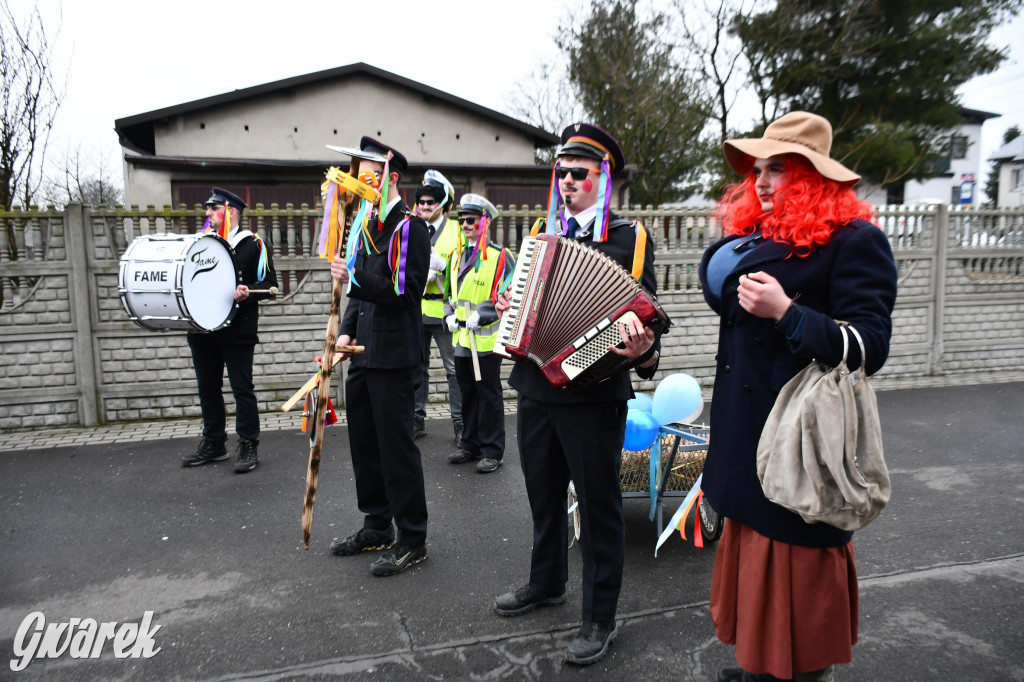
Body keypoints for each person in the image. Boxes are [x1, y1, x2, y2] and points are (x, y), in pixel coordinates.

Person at [697, 112, 898, 682]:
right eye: (758, 169)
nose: (761, 181)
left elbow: (869, 347)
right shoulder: (759, 239)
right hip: (746, 440)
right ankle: (761, 665)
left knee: (801, 610)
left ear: (814, 176)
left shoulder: (856, 241)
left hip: (798, 449)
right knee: (756, 585)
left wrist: (790, 314)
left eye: (778, 168)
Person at [493, 123, 661, 665]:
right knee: (543, 496)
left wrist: (640, 349)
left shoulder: (631, 238)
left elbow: (645, 318)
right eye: (560, 172)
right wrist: (510, 308)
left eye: (578, 173)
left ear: (602, 178)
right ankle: (547, 582)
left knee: (598, 507)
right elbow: (527, 304)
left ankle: (600, 617)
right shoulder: (542, 229)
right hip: (537, 387)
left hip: (593, 395)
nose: (566, 181)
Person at [327, 137, 432, 577]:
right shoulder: (366, 224)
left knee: (396, 450)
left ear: (389, 173)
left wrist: (354, 280)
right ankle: (377, 525)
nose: (358, 174)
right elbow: (357, 291)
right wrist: (345, 333)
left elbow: (405, 294)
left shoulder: (410, 228)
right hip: (363, 355)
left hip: (392, 356)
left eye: (367, 167)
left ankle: (412, 538)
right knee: (365, 447)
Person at [182, 187, 278, 473]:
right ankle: (214, 443)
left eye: (213, 209)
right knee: (208, 389)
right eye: (208, 209)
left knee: (241, 389)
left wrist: (248, 291)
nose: (207, 214)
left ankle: (249, 444)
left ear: (231, 211)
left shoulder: (253, 244)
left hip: (238, 331)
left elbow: (271, 287)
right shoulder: (201, 245)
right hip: (203, 330)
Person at [443, 193, 515, 474]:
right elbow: (450, 295)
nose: (465, 225)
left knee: (489, 395)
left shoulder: (500, 256)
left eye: (471, 220)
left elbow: (508, 294)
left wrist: (482, 315)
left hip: (485, 340)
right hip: (461, 339)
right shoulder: (456, 256)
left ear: (484, 222)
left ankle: (492, 450)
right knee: (467, 393)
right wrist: (448, 316)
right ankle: (470, 444)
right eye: (462, 220)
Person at [412, 170, 464, 444]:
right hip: (417, 310)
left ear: (442, 204)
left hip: (445, 311)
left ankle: (459, 423)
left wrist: (444, 270)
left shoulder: (456, 231)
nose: (425, 207)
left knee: (453, 368)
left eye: (431, 202)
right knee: (416, 366)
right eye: (421, 202)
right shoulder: (411, 228)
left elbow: (464, 270)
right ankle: (417, 419)